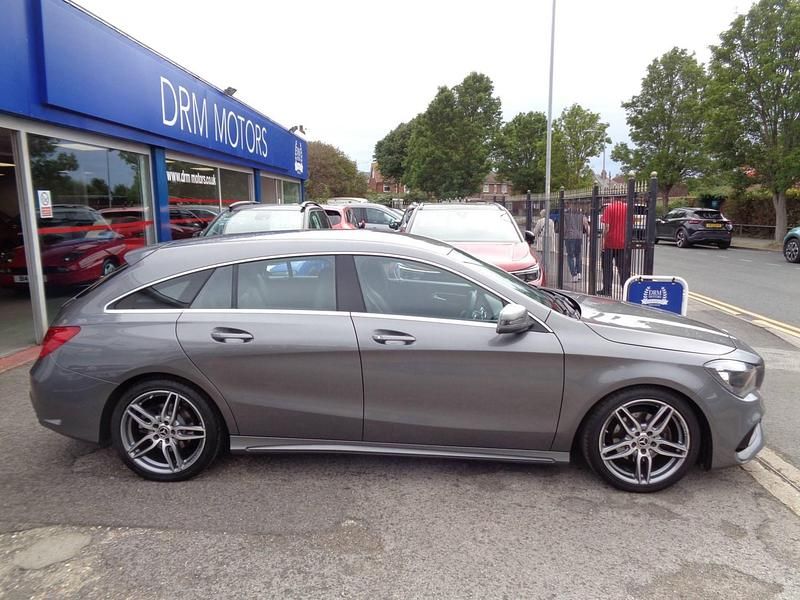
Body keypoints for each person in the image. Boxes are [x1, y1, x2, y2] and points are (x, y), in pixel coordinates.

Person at [599, 199, 627, 296]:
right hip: (623, 243)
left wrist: (603, 239)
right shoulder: (628, 208)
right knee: (622, 268)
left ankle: (607, 290)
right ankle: (625, 289)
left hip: (610, 242)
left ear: (613, 197)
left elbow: (606, 226)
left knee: (607, 267)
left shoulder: (609, 208)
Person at [562, 203, 589, 283]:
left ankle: (574, 275)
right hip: (579, 236)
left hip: (569, 236)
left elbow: (563, 226)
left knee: (570, 256)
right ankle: (579, 272)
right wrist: (588, 233)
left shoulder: (566, 214)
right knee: (578, 255)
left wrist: (563, 235)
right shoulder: (581, 214)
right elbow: (586, 224)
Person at [532, 208, 556, 279]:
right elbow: (553, 232)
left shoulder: (540, 221)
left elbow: (536, 231)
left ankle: (543, 269)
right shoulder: (551, 221)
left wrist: (534, 237)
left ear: (542, 214)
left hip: (542, 239)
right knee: (547, 256)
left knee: (543, 256)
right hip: (549, 239)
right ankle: (546, 269)